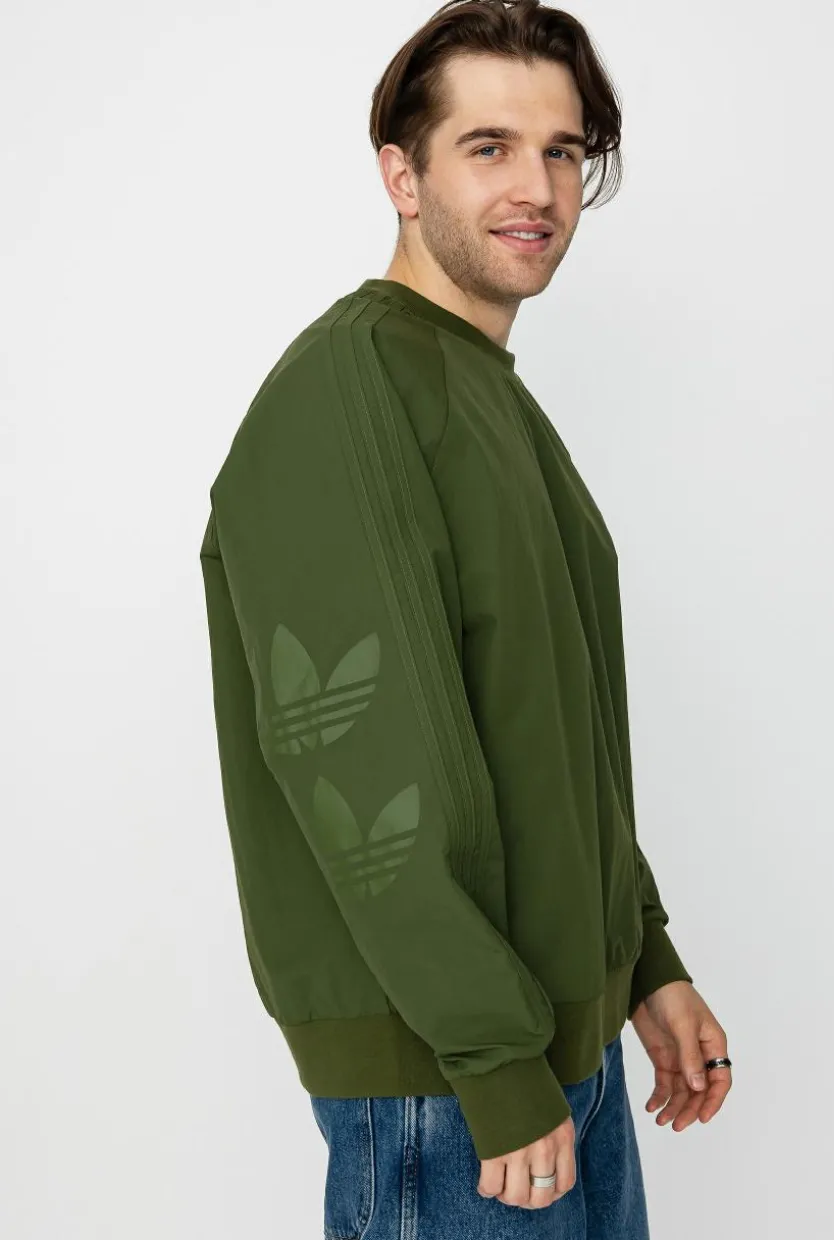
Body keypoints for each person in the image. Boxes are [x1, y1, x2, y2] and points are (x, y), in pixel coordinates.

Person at [199, 1, 732, 1234]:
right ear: (403, 175)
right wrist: (492, 1058)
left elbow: (552, 729)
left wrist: (644, 962)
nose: (536, 187)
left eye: (561, 150)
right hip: (448, 1087)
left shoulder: (485, 390)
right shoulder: (345, 398)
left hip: (554, 1053)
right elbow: (360, 772)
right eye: (488, 147)